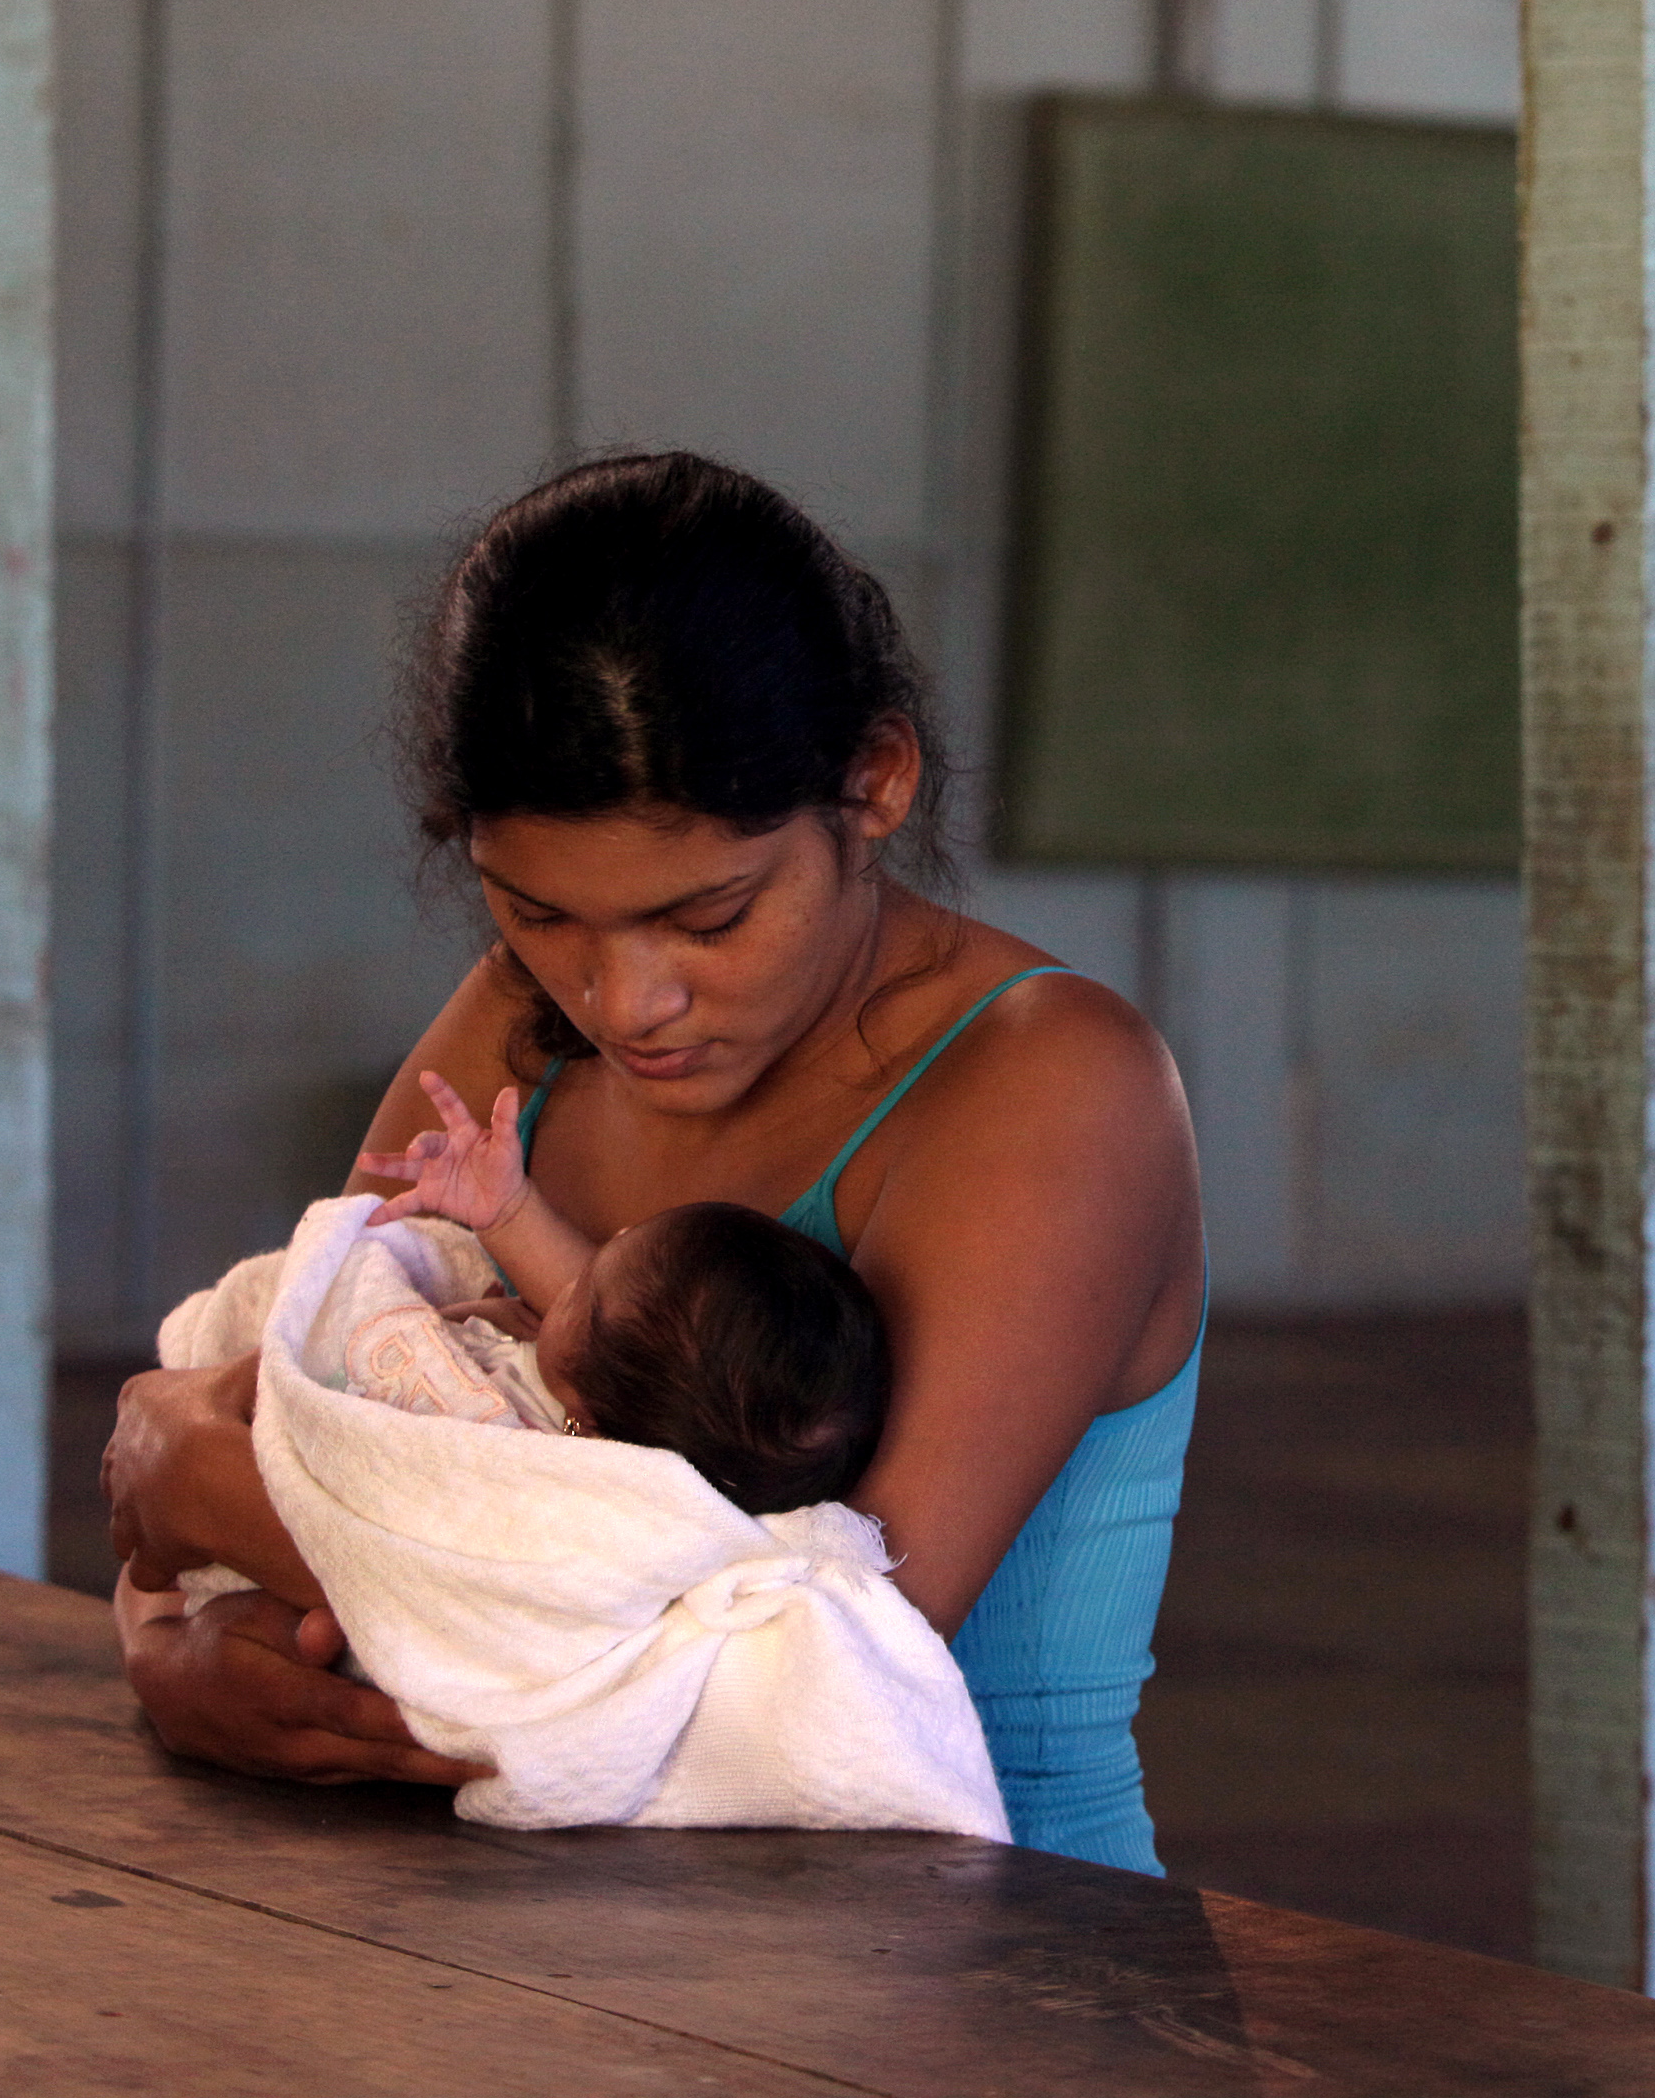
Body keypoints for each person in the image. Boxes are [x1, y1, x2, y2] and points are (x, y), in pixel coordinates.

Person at [99, 451, 1206, 1872]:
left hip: (986, 1959)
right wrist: (169, 1644)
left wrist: (215, 1491)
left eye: (711, 915)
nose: (626, 1003)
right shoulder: (525, 1016)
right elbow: (301, 1357)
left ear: (874, 781)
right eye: (539, 911)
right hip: (546, 1929)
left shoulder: (1050, 1085)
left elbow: (789, 1655)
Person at [356, 1070, 893, 1514]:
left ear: (586, 1420)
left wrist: (466, 1319)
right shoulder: (597, 1383)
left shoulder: (553, 1470)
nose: (604, 1244)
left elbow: (406, 1349)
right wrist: (499, 1207)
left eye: (581, 1294)